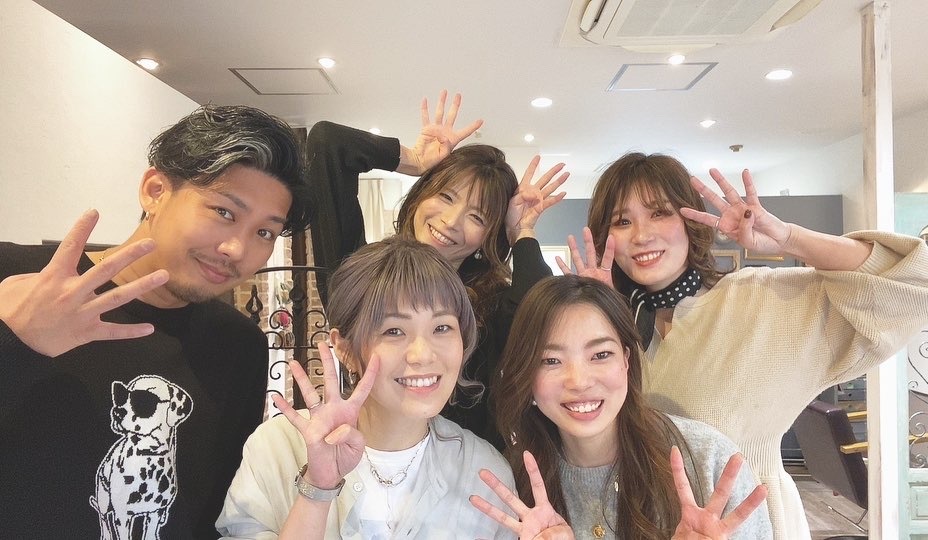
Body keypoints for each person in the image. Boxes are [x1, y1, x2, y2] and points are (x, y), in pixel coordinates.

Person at [563, 152, 928, 539]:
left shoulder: (760, 300)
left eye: (659, 213)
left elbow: (921, 284)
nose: (641, 235)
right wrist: (598, 312)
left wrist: (790, 238)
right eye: (622, 221)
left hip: (747, 523)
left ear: (690, 220)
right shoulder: (621, 327)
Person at [0, 104, 315, 539]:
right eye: (224, 212)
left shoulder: (239, 344)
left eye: (265, 232)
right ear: (155, 191)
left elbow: (213, 507)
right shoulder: (16, 279)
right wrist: (14, 341)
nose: (236, 250)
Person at [306, 91, 567, 445]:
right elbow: (328, 143)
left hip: (469, 468)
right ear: (421, 195)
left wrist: (521, 232)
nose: (451, 220)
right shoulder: (364, 280)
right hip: (368, 456)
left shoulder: (490, 308)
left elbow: (543, 317)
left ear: (487, 238)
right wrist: (411, 160)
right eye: (445, 196)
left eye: (477, 217)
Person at [216, 237, 515, 539]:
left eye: (442, 328)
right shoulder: (277, 448)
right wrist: (317, 489)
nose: (423, 355)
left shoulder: (484, 472)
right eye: (394, 331)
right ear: (345, 349)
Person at [470, 275, 772, 539]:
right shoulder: (512, 485)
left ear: (626, 361)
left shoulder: (707, 460)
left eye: (601, 355)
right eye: (551, 361)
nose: (579, 382)